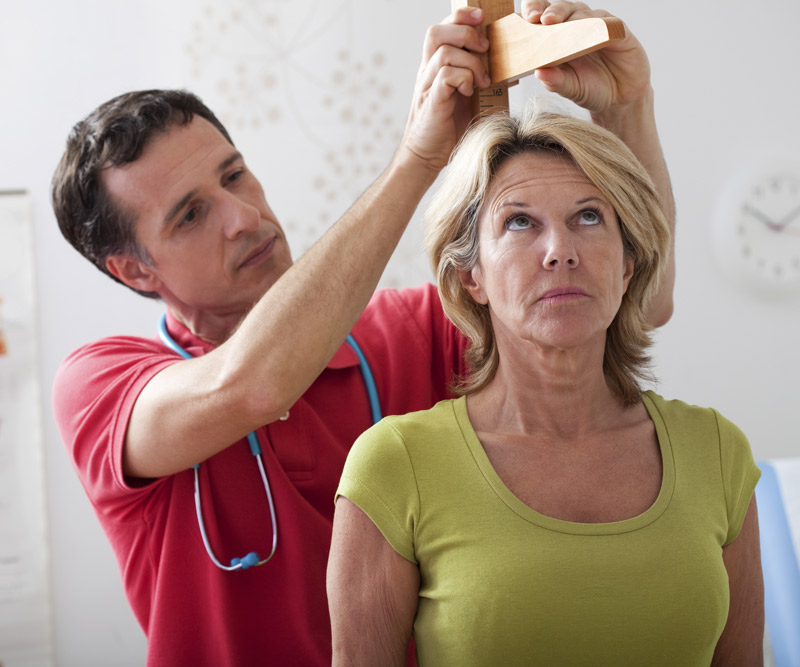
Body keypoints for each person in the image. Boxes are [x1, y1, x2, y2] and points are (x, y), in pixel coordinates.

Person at [51, 2, 676, 665]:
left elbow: (638, 300)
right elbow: (252, 384)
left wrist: (625, 106)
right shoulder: (101, 384)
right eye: (191, 214)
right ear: (133, 269)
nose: (241, 216)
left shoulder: (408, 332)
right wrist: (416, 157)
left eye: (234, 174)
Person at [327, 110, 764, 666]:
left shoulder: (718, 452)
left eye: (588, 216)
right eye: (518, 223)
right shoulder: (395, 464)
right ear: (471, 277)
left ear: (628, 264)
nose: (560, 249)